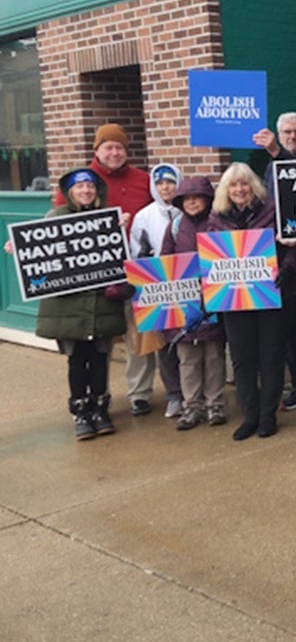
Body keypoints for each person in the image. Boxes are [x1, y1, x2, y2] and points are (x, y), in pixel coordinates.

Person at [30, 169, 126, 439]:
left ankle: (100, 408)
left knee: (99, 357)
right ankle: (81, 412)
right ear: (70, 191)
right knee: (76, 359)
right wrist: (18, 247)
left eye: (90, 186)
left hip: (100, 303)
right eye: (80, 187)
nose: (86, 191)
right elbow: (37, 251)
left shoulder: (108, 218)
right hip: (68, 306)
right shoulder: (54, 217)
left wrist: (120, 231)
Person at [208, 163, 296, 441]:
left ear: (253, 186)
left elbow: (293, 245)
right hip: (234, 299)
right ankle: (250, 415)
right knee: (242, 360)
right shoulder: (216, 218)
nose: (239, 189)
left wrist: (289, 268)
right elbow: (211, 259)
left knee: (271, 356)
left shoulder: (273, 210)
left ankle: (267, 415)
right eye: (233, 185)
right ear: (226, 189)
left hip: (269, 293)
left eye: (244, 183)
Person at [88, 124, 156, 417]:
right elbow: (57, 223)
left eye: (119, 147)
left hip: (135, 269)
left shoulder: (143, 180)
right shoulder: (82, 182)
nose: (114, 152)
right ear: (97, 150)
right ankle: (97, 394)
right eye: (108, 147)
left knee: (138, 334)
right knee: (99, 338)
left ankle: (139, 393)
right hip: (94, 273)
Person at [255, 111, 296, 412]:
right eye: (287, 133)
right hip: (288, 258)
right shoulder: (271, 165)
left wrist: (277, 153)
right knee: (291, 327)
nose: (293, 137)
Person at [161, 177, 228, 431]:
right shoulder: (176, 226)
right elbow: (164, 263)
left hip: (214, 301)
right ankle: (192, 405)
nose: (191, 202)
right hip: (184, 304)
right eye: (186, 199)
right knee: (187, 358)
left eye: (196, 198)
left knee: (214, 355)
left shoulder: (219, 222)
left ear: (207, 199)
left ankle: (215, 403)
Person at [130, 163, 184, 420]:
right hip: (158, 283)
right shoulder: (144, 216)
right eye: (161, 183)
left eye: (171, 182)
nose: (166, 187)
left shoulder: (189, 209)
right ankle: (174, 394)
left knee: (192, 340)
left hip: (187, 282)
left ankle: (195, 392)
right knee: (166, 344)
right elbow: (136, 253)